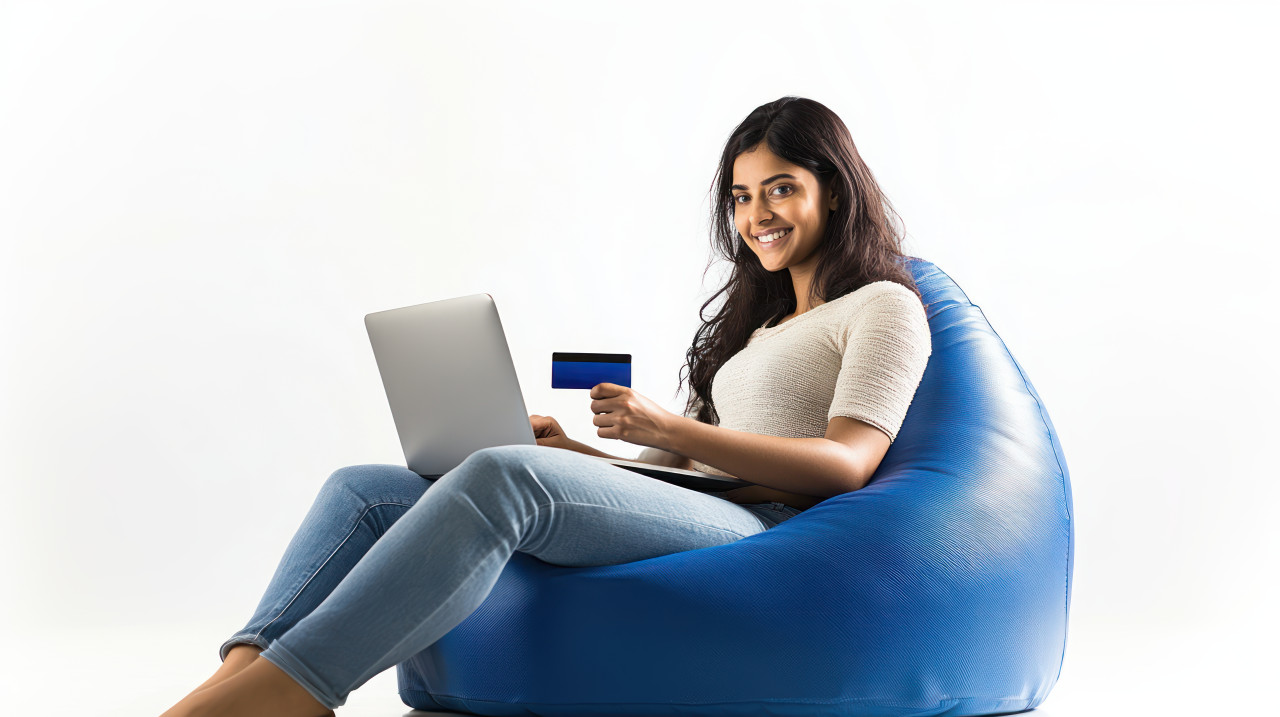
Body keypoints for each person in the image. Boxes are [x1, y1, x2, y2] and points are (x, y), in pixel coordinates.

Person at [159, 95, 933, 717]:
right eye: (741, 197)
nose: (757, 214)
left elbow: (847, 463)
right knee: (362, 488)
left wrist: (669, 424)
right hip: (702, 505)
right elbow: (664, 477)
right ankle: (237, 680)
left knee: (503, 478)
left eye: (781, 188)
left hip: (761, 532)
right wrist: (573, 454)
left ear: (834, 189)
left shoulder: (883, 306)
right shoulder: (753, 331)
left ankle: (298, 688)